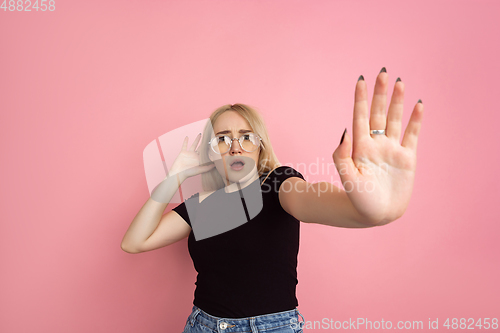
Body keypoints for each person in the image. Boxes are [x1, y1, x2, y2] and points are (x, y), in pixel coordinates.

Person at [120, 67, 424, 333]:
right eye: (223, 139)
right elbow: (134, 242)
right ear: (212, 152)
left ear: (260, 147)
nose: (235, 147)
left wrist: (367, 210)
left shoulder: (278, 183)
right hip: (204, 326)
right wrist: (174, 177)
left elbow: (312, 200)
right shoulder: (201, 206)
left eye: (246, 136)